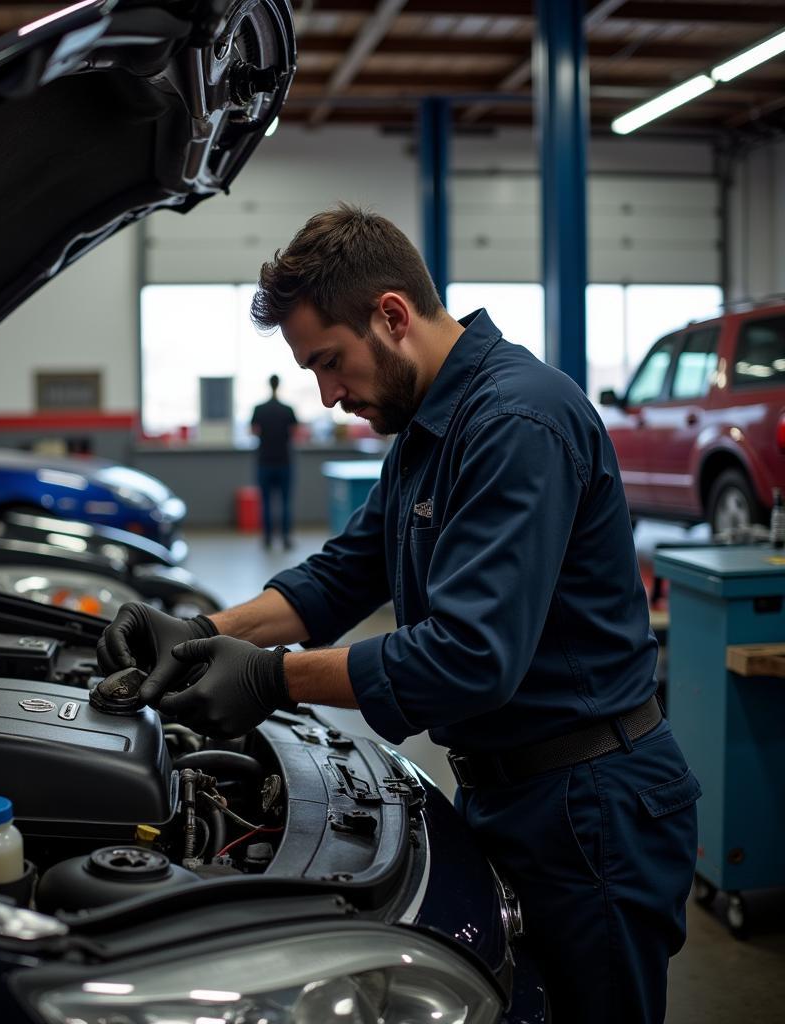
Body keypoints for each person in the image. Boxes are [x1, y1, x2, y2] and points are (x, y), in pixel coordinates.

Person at [98, 205, 699, 1024]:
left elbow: (468, 657)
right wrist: (205, 637)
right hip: (514, 791)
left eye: (330, 362)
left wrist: (273, 680)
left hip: (590, 805)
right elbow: (342, 575)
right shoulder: (427, 429)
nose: (328, 393)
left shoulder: (516, 421)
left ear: (391, 315)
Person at [250, 373, 298, 549]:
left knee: (266, 502)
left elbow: (254, 431)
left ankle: (267, 539)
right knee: (285, 502)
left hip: (264, 461)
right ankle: (285, 538)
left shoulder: (259, 409)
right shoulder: (287, 409)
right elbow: (295, 432)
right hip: (284, 461)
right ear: (279, 385)